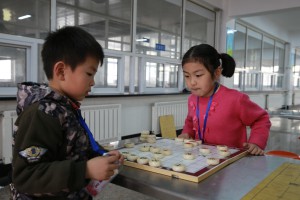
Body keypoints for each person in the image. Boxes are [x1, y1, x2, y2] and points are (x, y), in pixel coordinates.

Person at [10, 26, 123, 199]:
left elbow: (76, 145)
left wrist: (101, 154)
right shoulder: (41, 114)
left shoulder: (66, 108)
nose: (92, 82)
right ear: (61, 71)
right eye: (89, 73)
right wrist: (85, 169)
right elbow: (26, 176)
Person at [178, 44, 271, 155]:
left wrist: (256, 142)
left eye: (198, 75)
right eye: (187, 76)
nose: (192, 82)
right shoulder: (192, 99)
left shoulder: (235, 99)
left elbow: (261, 119)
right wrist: (186, 133)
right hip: (201, 159)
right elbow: (190, 121)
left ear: (216, 73)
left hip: (232, 161)